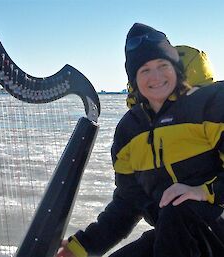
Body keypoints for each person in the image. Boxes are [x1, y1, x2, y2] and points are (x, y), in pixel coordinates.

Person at [57, 23, 224, 257]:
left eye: (162, 65)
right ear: (134, 78)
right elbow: (128, 204)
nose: (155, 77)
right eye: (144, 70)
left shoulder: (211, 103)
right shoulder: (129, 131)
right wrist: (81, 247)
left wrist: (205, 192)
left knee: (179, 209)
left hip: (214, 225)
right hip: (176, 235)